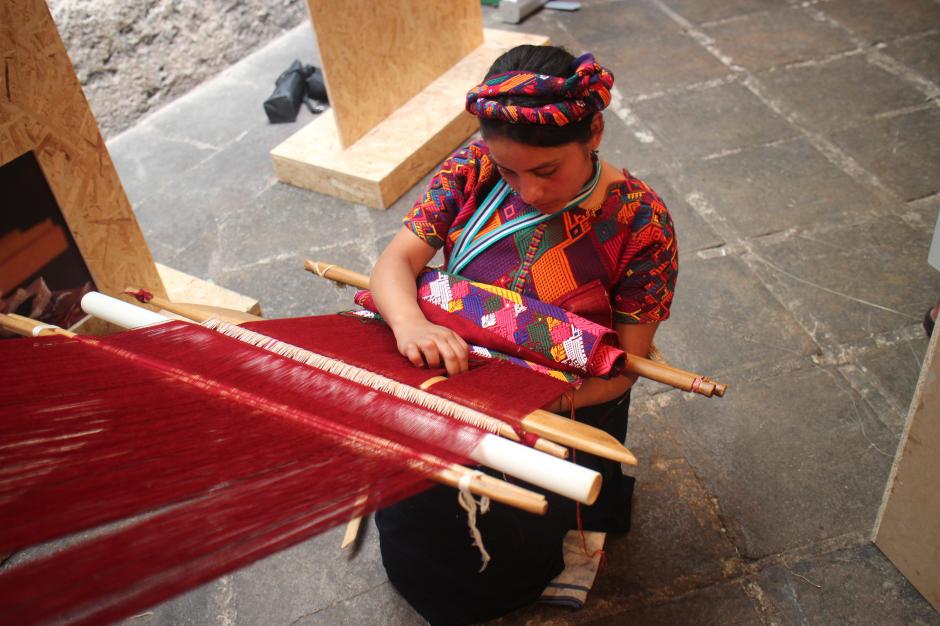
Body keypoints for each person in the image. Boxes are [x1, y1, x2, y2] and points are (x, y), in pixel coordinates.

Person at [369, 45, 678, 625]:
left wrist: (523, 406)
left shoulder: (640, 223)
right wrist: (410, 323)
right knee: (425, 507)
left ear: (595, 133)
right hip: (456, 371)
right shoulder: (473, 169)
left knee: (520, 530)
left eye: (546, 170)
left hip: (564, 402)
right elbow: (394, 266)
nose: (528, 191)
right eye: (510, 170)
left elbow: (626, 367)